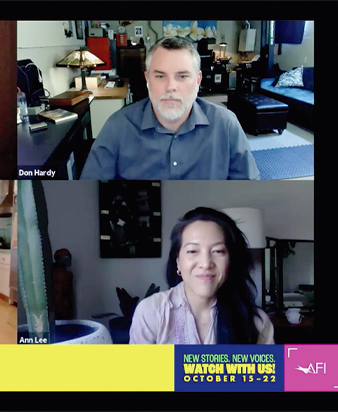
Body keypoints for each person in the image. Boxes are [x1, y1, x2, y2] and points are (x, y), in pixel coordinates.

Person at [80, 36, 260, 180]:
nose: (170, 87)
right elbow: (89, 195)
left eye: (182, 76)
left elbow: (249, 193)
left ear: (198, 80)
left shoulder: (226, 125)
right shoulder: (117, 127)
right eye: (160, 76)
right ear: (147, 80)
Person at [129, 207, 274, 344]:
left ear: (231, 260)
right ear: (178, 262)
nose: (205, 263)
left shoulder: (257, 322)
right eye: (192, 251)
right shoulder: (151, 312)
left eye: (218, 251)